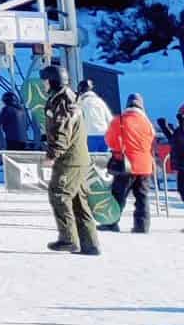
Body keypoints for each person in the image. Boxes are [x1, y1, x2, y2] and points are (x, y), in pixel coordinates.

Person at [42, 64, 99, 255]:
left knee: (59, 194)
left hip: (70, 159)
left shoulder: (62, 101)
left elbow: (62, 130)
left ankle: (68, 239)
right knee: (78, 201)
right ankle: (90, 244)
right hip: (78, 157)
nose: (43, 84)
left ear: (52, 81)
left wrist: (52, 154)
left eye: (45, 80)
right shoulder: (68, 97)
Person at [103, 91, 156, 235]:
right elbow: (152, 142)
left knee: (118, 196)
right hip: (145, 166)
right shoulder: (148, 123)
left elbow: (109, 140)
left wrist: (119, 150)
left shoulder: (119, 120)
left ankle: (111, 223)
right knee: (142, 197)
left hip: (126, 165)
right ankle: (142, 226)